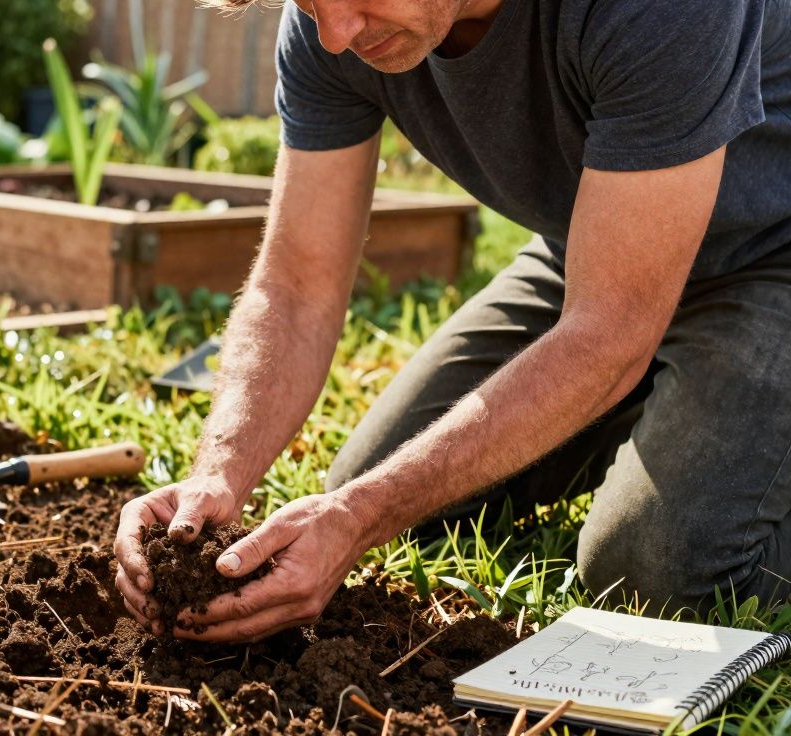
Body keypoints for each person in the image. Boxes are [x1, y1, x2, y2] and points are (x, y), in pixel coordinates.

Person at [113, 0, 791, 642]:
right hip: (602, 247)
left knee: (658, 575)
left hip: (774, 254)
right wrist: (217, 476)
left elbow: (609, 332)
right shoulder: (336, 25)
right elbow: (296, 286)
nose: (336, 34)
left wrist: (358, 516)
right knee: (385, 489)